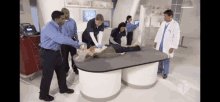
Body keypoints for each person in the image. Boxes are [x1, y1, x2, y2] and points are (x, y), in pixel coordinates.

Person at [38, 11, 86, 101]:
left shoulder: (58, 26)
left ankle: (63, 88)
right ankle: (43, 95)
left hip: (56, 52)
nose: (65, 20)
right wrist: (77, 44)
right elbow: (61, 39)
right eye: (62, 18)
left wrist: (76, 43)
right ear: (56, 19)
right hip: (47, 53)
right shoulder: (49, 27)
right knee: (47, 75)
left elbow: (64, 37)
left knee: (61, 72)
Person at [154, 10, 180, 79]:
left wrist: (173, 47)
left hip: (168, 46)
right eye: (164, 16)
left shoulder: (175, 24)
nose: (164, 17)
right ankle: (159, 70)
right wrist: (156, 41)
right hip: (160, 44)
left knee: (166, 59)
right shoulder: (163, 23)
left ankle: (165, 73)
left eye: (165, 16)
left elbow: (176, 37)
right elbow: (159, 32)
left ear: (170, 16)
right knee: (159, 57)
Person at [60, 8, 79, 76]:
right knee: (64, 57)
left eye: (68, 13)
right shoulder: (60, 23)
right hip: (64, 42)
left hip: (72, 40)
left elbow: (75, 31)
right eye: (65, 13)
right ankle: (66, 70)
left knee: (74, 56)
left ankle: (75, 69)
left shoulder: (73, 21)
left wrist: (77, 41)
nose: (67, 14)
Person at [75, 43, 141, 62]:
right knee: (126, 48)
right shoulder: (96, 54)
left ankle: (134, 45)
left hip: (108, 45)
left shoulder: (90, 49)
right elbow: (108, 55)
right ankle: (137, 47)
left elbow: (79, 51)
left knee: (124, 46)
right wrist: (119, 54)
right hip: (113, 49)